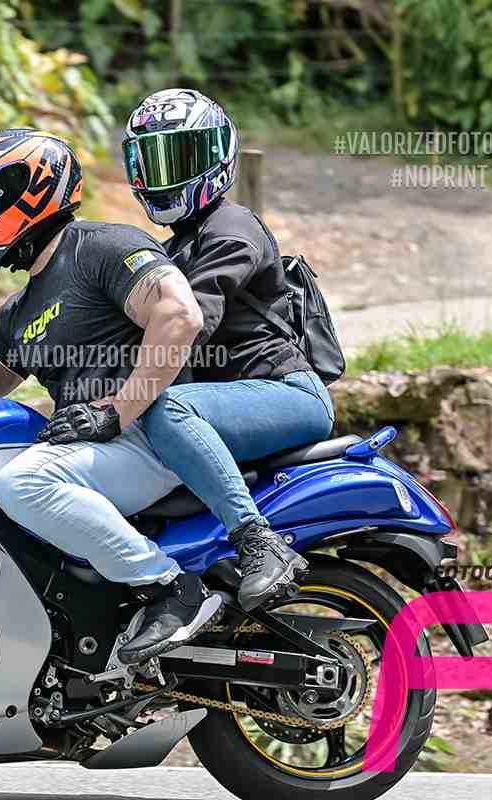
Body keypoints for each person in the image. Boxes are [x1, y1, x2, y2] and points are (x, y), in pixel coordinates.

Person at [0, 128, 220, 664]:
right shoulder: (19, 314)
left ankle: (169, 588)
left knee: (24, 482)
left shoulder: (102, 246)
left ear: (35, 189)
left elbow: (179, 315)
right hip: (95, 451)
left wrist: (117, 410)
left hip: (153, 439)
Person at [118, 89, 337, 610]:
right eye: (153, 161)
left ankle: (258, 541)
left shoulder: (232, 227)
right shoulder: (173, 247)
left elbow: (195, 319)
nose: (165, 176)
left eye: (180, 159)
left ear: (217, 156)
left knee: (162, 406)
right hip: (229, 403)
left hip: (286, 392)